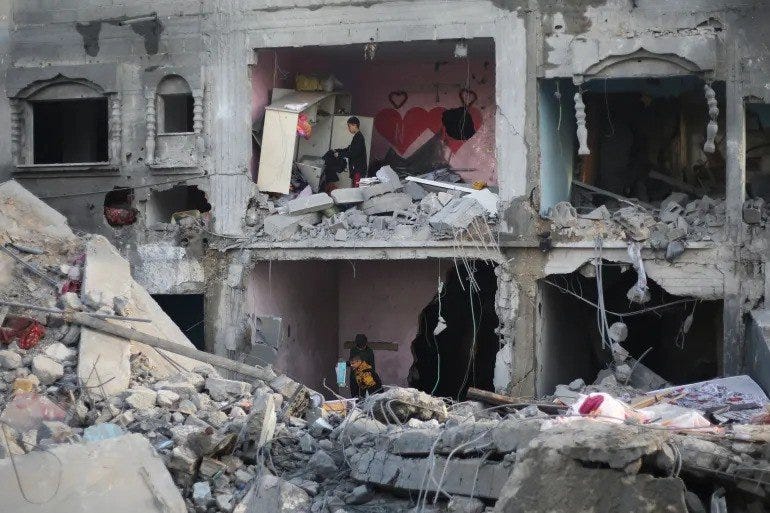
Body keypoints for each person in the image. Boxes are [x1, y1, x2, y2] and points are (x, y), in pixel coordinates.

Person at [334, 116, 367, 187]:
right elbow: (350, 149)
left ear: (355, 125)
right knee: (354, 188)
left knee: (356, 190)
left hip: (358, 170)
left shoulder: (359, 138)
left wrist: (340, 155)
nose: (348, 128)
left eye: (349, 126)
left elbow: (353, 153)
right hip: (356, 170)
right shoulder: (357, 137)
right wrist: (338, 150)